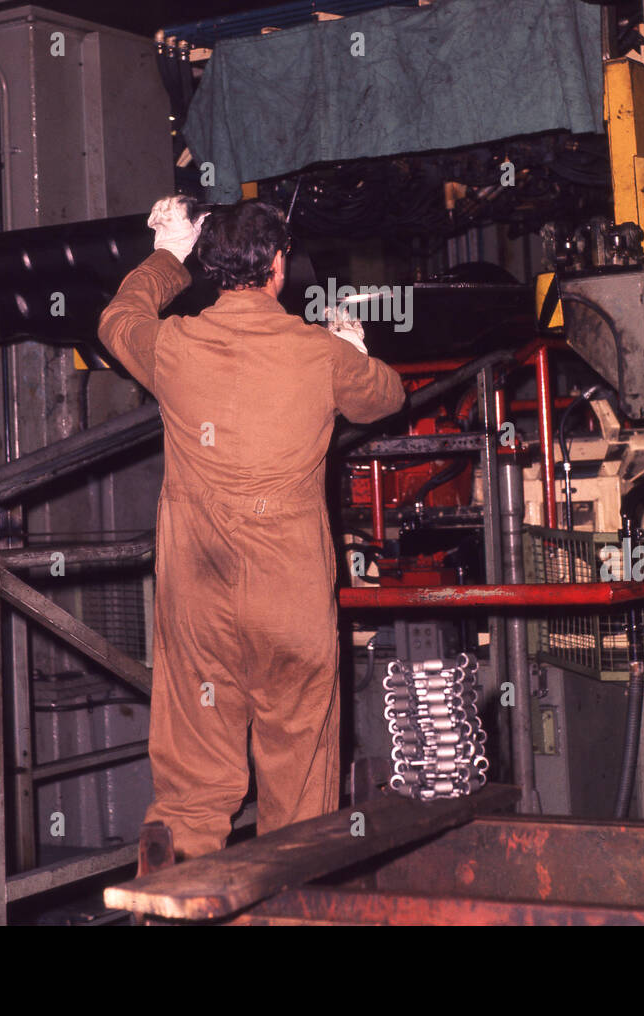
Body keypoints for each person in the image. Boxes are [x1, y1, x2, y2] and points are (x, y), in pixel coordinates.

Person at [99, 197, 405, 858]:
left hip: (200, 601)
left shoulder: (174, 346)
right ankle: (291, 890)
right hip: (290, 607)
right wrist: (352, 348)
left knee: (192, 788)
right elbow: (386, 396)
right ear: (278, 267)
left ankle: (176, 865)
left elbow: (117, 319)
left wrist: (164, 256)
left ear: (210, 268)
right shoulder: (316, 354)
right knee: (299, 794)